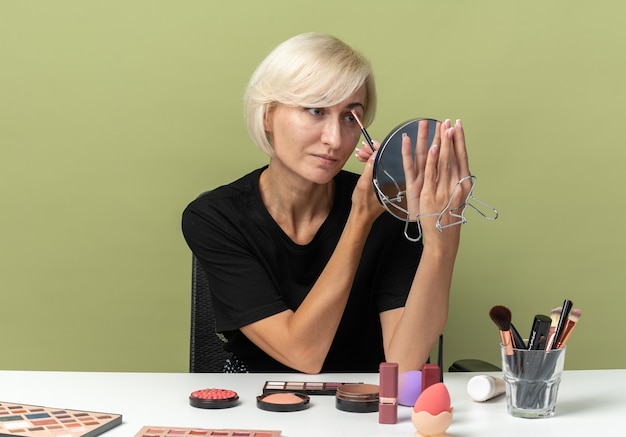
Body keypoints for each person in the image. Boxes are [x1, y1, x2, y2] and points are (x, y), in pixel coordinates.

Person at [182, 32, 471, 374]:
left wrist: (443, 233)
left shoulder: (388, 210)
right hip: (256, 406)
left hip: (359, 406)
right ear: (267, 116)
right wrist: (359, 219)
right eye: (316, 110)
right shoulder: (216, 218)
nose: (334, 140)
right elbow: (304, 355)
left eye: (350, 117)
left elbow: (405, 365)